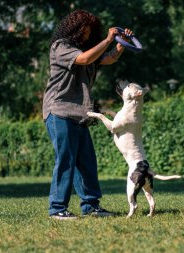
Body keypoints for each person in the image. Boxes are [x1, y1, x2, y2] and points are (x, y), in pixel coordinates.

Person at [42, 9, 133, 219]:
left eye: (91, 30)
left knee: (86, 161)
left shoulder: (88, 50)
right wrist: (108, 38)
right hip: (59, 110)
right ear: (74, 27)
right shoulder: (61, 46)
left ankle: (91, 206)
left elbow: (108, 59)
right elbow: (83, 59)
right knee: (66, 159)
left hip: (80, 113)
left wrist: (121, 44)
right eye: (85, 28)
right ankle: (57, 208)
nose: (87, 33)